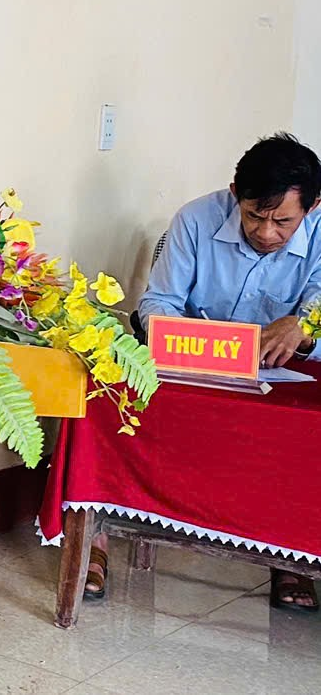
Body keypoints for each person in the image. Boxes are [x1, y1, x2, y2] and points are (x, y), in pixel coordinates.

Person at [83, 133, 321, 610]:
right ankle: (94, 542)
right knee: (102, 396)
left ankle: (291, 554)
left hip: (281, 379)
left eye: (283, 221)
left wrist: (305, 327)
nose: (266, 232)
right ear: (235, 193)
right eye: (253, 215)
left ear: (313, 207)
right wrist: (179, 336)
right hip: (194, 370)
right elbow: (158, 302)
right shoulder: (196, 219)